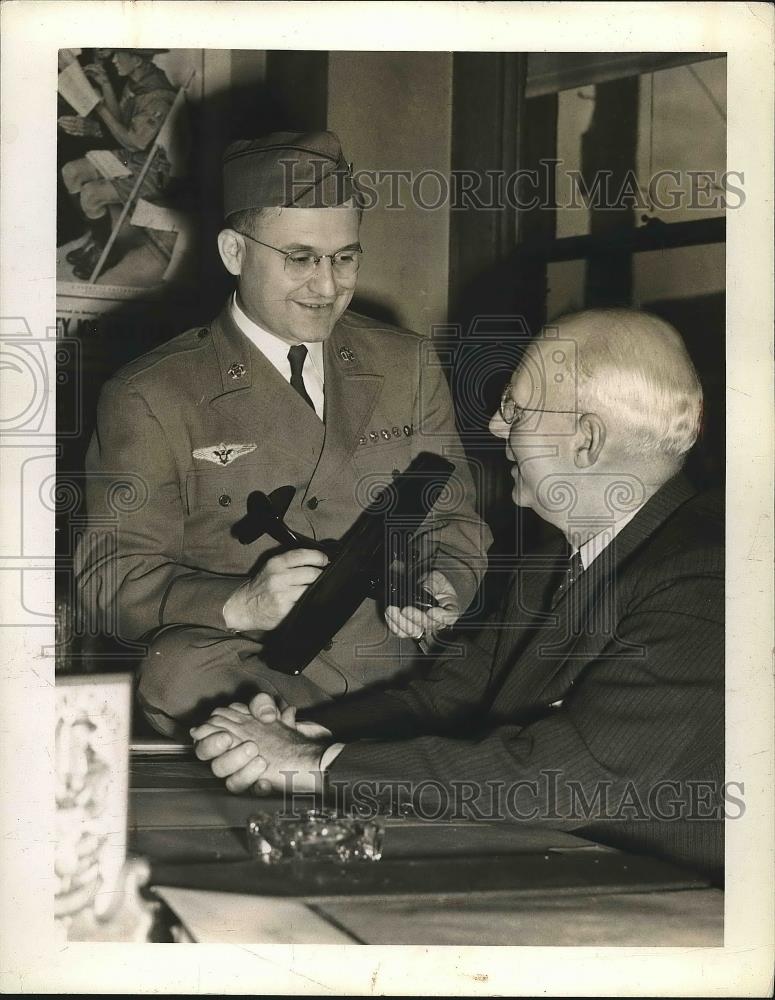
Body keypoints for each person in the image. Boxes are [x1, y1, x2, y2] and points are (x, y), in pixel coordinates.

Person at [191, 308, 725, 878]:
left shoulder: (706, 576)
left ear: (586, 440)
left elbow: (566, 780)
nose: (496, 426)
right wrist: (309, 731)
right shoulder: (559, 554)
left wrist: (308, 763)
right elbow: (450, 696)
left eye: (516, 409)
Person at [75, 131, 491, 738]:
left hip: (393, 676)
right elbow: (108, 577)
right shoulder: (151, 393)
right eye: (300, 258)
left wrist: (440, 584)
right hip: (247, 675)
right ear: (234, 253)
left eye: (345, 257)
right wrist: (239, 603)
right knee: (177, 671)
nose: (327, 286)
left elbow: (454, 524)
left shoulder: (407, 364)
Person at [59, 48, 176, 279]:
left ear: (136, 59)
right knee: (71, 172)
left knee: (91, 195)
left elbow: (133, 143)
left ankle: (107, 252)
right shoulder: (136, 79)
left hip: (151, 169)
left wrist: (100, 107)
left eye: (118, 54)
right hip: (131, 158)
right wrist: (105, 85)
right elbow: (122, 120)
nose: (113, 59)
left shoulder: (158, 93)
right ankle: (100, 239)